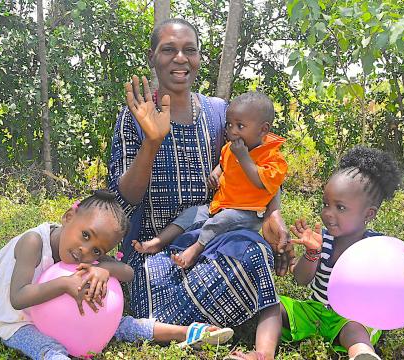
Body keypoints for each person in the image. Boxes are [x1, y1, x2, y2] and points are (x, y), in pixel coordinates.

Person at [109, 18, 293, 360]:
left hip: (214, 239)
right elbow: (124, 200)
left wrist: (275, 214)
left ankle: (219, 319)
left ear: (198, 58)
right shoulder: (133, 117)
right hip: (157, 253)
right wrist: (152, 141)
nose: (180, 58)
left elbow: (265, 164)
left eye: (189, 50)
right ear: (153, 57)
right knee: (161, 292)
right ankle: (219, 316)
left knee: (255, 250)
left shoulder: (220, 113)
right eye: (169, 50)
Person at [0, 190, 233, 360]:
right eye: (85, 235)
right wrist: (64, 284)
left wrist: (103, 268)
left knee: (121, 324)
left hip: (61, 316)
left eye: (97, 249)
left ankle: (187, 332)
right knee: (46, 346)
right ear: (69, 216)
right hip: (12, 320)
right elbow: (18, 298)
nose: (84, 251)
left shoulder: (87, 256)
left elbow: (127, 272)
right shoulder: (33, 243)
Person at [276, 146, 404, 360]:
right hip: (314, 312)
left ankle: (362, 353)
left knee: (355, 328)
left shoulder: (377, 246)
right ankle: (263, 350)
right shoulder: (323, 240)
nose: (328, 213)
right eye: (326, 204)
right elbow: (301, 279)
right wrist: (312, 253)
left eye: (340, 207)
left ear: (369, 214)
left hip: (352, 317)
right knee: (273, 304)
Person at [132, 91, 288, 270]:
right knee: (191, 214)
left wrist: (244, 157)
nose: (232, 131)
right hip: (220, 205)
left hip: (249, 213)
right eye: (229, 125)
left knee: (222, 220)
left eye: (240, 126)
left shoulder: (273, 158)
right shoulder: (231, 148)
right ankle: (159, 241)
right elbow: (224, 163)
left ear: (263, 129)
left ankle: (194, 251)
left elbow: (262, 182)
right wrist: (217, 172)